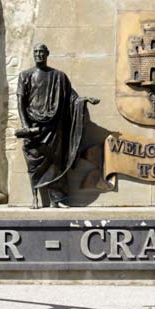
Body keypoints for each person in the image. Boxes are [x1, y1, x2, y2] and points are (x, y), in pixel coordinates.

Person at [17, 43, 99, 209]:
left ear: (47, 54)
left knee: (55, 163)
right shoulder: (25, 75)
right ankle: (35, 199)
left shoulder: (59, 76)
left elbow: (71, 98)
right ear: (33, 55)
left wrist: (84, 100)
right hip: (34, 128)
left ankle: (56, 199)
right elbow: (20, 102)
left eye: (42, 52)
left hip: (54, 128)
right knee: (34, 164)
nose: (39, 55)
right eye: (36, 52)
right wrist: (26, 126)